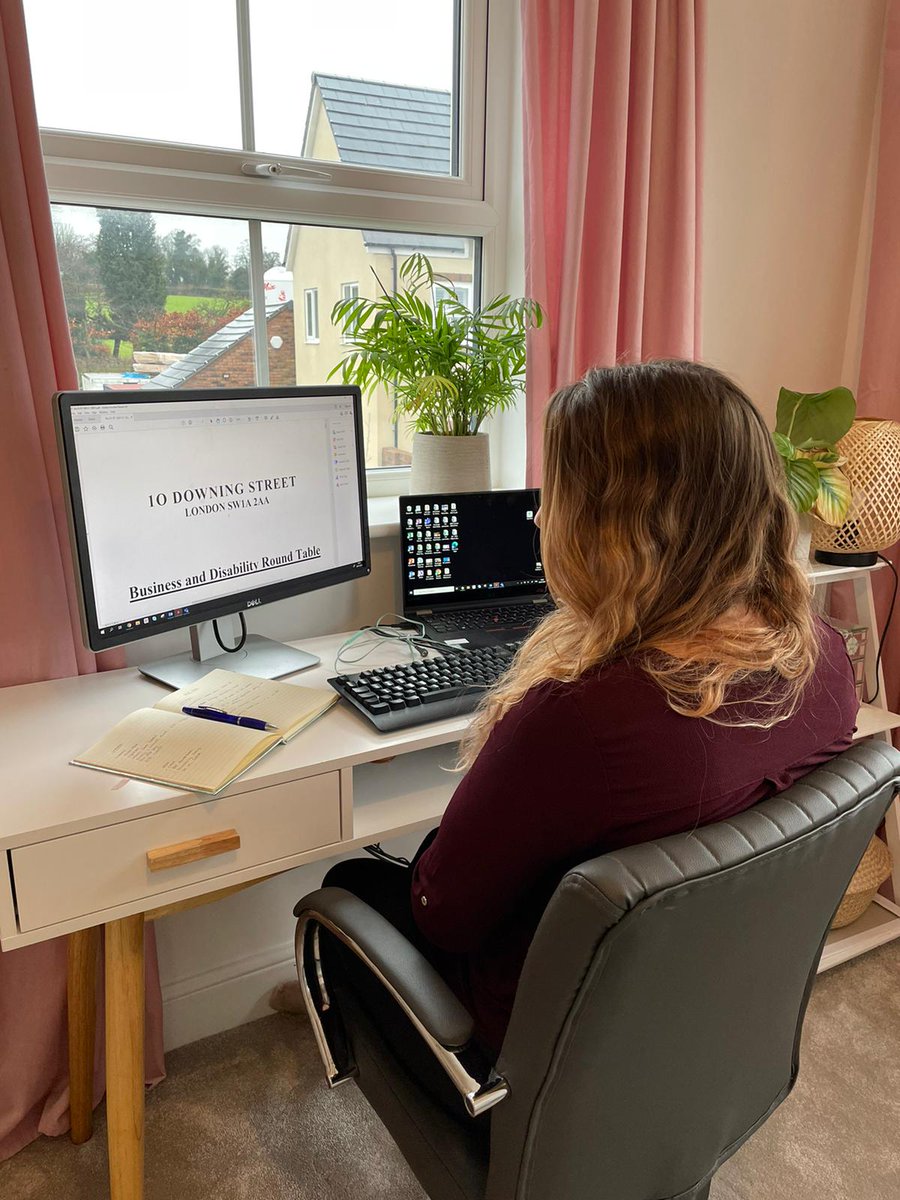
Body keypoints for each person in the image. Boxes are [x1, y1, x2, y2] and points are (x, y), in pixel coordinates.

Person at [316, 358, 858, 1114]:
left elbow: (444, 913)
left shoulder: (582, 719)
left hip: (547, 1055)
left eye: (557, 496)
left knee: (348, 888)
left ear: (617, 529)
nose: (541, 517)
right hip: (697, 1023)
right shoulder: (828, 662)